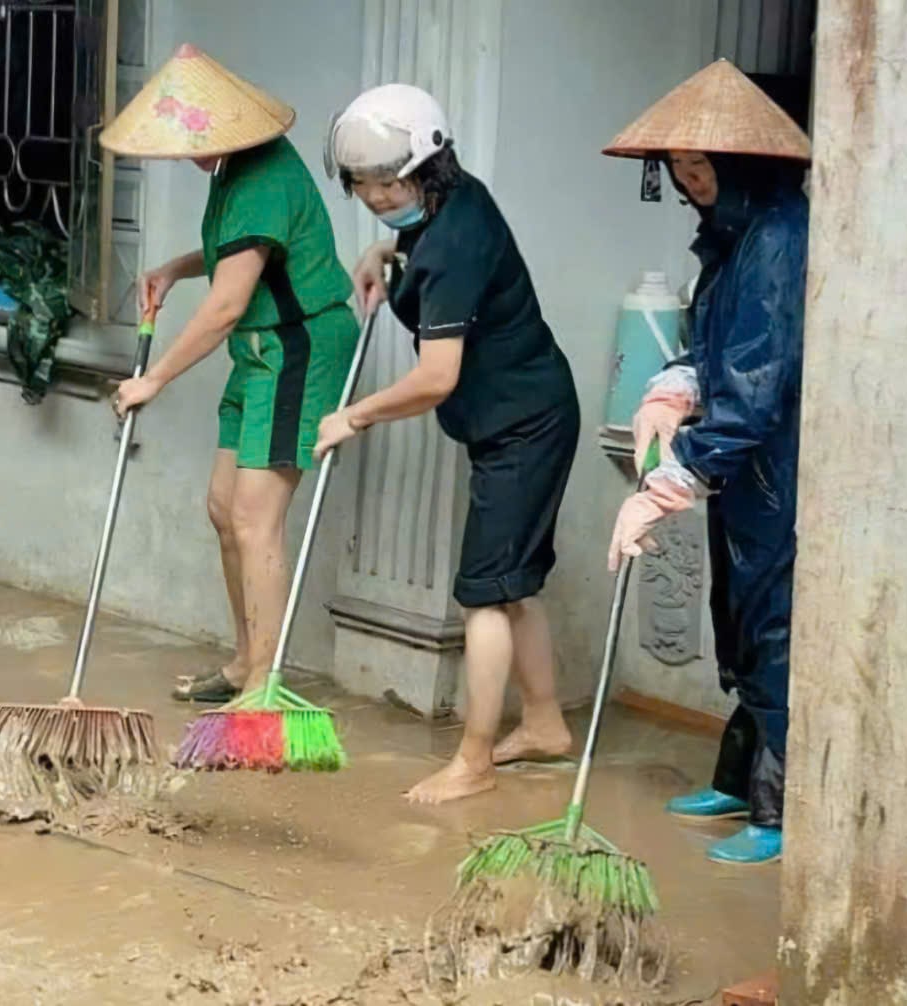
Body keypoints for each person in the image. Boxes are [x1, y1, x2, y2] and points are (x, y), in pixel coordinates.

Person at [315, 84, 580, 804]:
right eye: (363, 187)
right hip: (516, 416)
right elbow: (416, 241)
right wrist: (381, 252)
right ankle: (547, 725)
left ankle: (475, 759)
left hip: (524, 425)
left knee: (483, 595)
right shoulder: (447, 205)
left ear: (429, 169)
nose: (376, 196)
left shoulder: (455, 240)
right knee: (513, 583)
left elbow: (436, 377)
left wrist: (356, 415)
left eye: (387, 184)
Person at [100, 44, 359, 701]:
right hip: (260, 349)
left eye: (198, 138)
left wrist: (153, 379)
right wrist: (174, 268)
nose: (192, 152)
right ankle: (245, 662)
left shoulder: (262, 177)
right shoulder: (236, 173)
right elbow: (238, 256)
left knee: (255, 518)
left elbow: (226, 305)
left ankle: (263, 687)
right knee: (224, 508)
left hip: (297, 347)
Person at [604, 60, 811, 865]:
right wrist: (673, 385)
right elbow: (714, 346)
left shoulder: (781, 238)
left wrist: (668, 483)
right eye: (682, 170)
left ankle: (778, 807)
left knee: (774, 628)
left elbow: (757, 386)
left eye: (702, 169)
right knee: (739, 622)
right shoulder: (732, 238)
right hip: (746, 472)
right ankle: (738, 776)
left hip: (774, 465)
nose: (691, 184)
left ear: (745, 165)